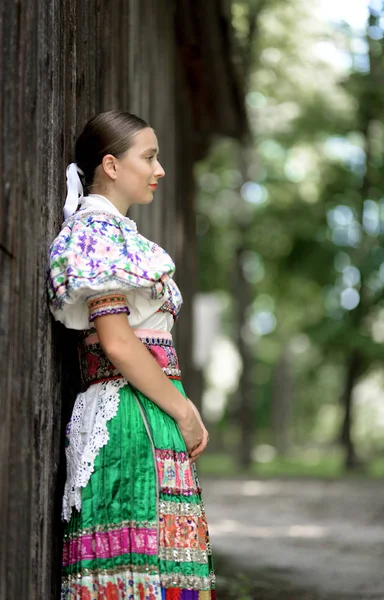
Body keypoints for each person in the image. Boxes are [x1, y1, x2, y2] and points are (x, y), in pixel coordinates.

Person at [47, 110, 216, 600]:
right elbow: (118, 342)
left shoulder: (118, 234)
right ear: (112, 166)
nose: (159, 169)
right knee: (144, 569)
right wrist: (184, 411)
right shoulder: (97, 234)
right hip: (132, 414)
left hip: (146, 410)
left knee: (161, 566)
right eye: (149, 157)